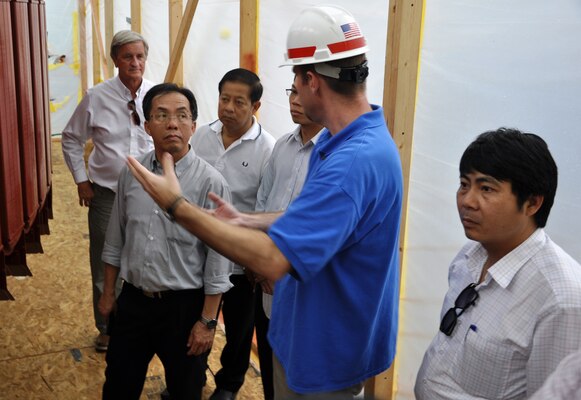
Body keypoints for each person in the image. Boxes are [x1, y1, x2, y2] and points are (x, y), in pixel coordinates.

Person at [126, 5, 403, 399]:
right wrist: (246, 219)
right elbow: (313, 220)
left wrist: (178, 207)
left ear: (311, 80)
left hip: (324, 354)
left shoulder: (352, 162)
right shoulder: (342, 141)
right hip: (310, 339)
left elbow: (274, 260)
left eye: (294, 80)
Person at [415, 128, 581, 399]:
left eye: (486, 188)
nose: (467, 201)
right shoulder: (469, 256)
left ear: (532, 203)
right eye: (464, 184)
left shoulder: (561, 299)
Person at [98, 83, 233, 400]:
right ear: (147, 126)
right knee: (118, 385)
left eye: (181, 115)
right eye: (161, 115)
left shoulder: (211, 182)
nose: (172, 123)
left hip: (184, 309)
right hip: (133, 302)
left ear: (193, 126)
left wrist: (207, 321)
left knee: (185, 390)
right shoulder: (133, 172)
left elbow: (217, 261)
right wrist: (108, 293)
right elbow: (115, 238)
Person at [61, 30, 154, 352]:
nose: (135, 62)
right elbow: (71, 137)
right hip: (106, 194)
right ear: (115, 59)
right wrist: (81, 179)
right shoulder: (97, 96)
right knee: (105, 262)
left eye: (140, 56)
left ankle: (140, 327)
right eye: (127, 56)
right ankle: (107, 328)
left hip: (147, 194)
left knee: (142, 259)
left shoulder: (155, 97)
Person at [190, 68, 275, 400]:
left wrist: (258, 255)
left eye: (239, 102)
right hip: (200, 250)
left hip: (240, 255)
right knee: (196, 317)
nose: (228, 108)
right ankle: (191, 375)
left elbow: (265, 203)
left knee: (240, 326)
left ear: (255, 106)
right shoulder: (202, 136)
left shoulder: (267, 148)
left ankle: (228, 384)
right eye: (224, 99)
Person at [252, 83, 324, 400]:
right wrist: (259, 261)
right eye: (290, 92)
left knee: (302, 370)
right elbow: (262, 204)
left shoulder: (334, 155)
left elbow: (315, 228)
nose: (294, 101)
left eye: (300, 94)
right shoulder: (283, 145)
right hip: (267, 281)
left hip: (301, 282)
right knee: (272, 367)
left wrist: (275, 266)